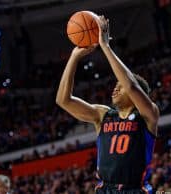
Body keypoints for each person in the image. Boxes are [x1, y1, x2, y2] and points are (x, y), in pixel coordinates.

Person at [56, 15, 159, 194]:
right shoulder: (103, 114)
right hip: (105, 189)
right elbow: (63, 100)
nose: (115, 89)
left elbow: (132, 86)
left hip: (134, 190)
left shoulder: (148, 115)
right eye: (116, 86)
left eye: (120, 86)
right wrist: (74, 57)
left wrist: (105, 46)